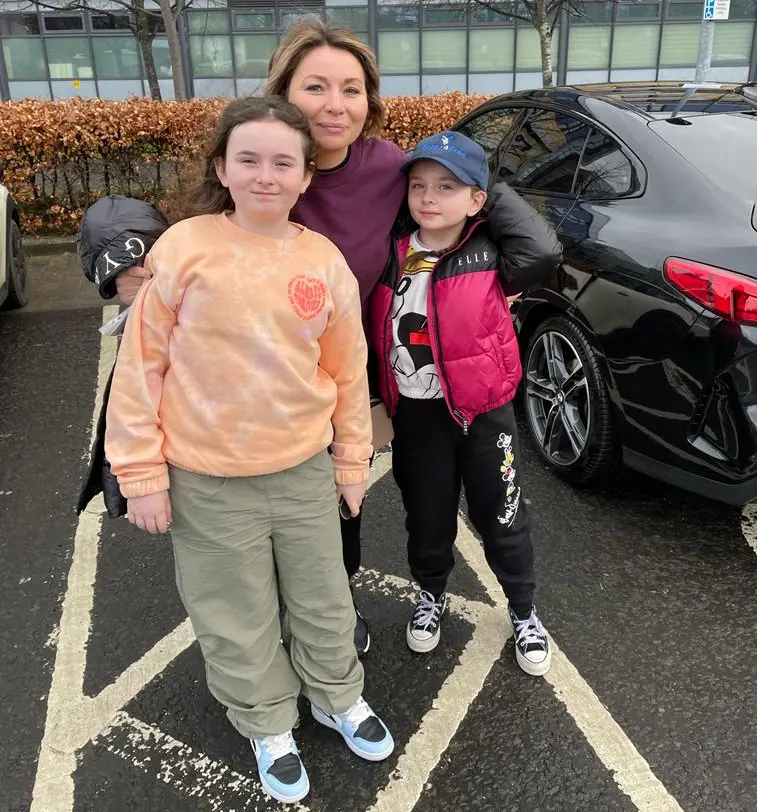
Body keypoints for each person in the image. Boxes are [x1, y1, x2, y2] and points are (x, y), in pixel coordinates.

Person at [77, 17, 410, 657]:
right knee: (243, 532)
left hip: (333, 361)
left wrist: (513, 250)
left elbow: (458, 199)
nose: (335, 105)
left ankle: (329, 616)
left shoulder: (389, 167)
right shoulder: (251, 160)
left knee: (332, 504)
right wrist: (126, 268)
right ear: (285, 89)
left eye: (352, 89)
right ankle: (263, 634)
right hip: (231, 394)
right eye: (316, 87)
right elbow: (176, 257)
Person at [104, 95, 394, 805]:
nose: (266, 175)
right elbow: (141, 367)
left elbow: (347, 371)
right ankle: (266, 722)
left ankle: (335, 698)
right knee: (235, 612)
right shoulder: (185, 248)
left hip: (300, 469)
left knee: (324, 600)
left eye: (282, 163)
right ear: (222, 168)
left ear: (303, 179)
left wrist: (351, 462)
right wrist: (140, 474)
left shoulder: (320, 259)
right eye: (249, 159)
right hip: (206, 478)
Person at [370, 131, 557, 677]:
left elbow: (544, 250)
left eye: (447, 187)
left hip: (481, 413)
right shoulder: (393, 250)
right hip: (417, 414)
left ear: (478, 199)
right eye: (419, 185)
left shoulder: (492, 250)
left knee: (501, 514)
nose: (429, 198)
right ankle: (431, 595)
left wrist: (486, 190)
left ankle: (523, 610)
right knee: (426, 514)